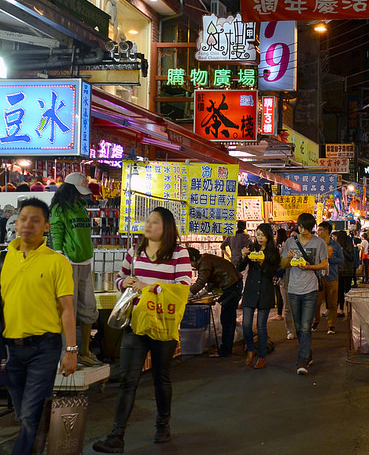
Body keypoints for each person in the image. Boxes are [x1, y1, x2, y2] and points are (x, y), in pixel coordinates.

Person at [93, 207, 192, 452]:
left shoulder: (178, 253)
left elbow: (182, 287)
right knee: (128, 380)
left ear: (166, 227)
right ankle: (117, 436)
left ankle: (162, 425)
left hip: (162, 325)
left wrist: (147, 286)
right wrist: (123, 282)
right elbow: (120, 277)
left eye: (154, 222)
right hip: (136, 324)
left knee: (161, 377)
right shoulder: (135, 252)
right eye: (147, 221)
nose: (148, 225)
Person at [1, 198, 77, 454]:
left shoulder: (57, 262)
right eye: (23, 219)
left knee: (31, 415)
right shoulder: (6, 258)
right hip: (13, 349)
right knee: (24, 415)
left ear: (46, 226)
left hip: (44, 348)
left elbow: (67, 309)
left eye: (35, 220)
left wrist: (72, 350)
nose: (27, 225)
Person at [50, 172, 101, 366]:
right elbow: (56, 230)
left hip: (85, 261)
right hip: (69, 262)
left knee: (88, 307)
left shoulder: (80, 207)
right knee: (68, 308)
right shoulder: (59, 209)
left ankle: (85, 351)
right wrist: (60, 253)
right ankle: (67, 352)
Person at [280, 213, 328, 375]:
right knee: (299, 326)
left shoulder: (319, 242)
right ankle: (308, 354)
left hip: (310, 290)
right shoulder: (290, 242)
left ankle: (302, 360)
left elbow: (324, 264)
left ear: (312, 228)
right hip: (293, 289)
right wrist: (288, 257)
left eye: (307, 228)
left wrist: (309, 267)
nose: (303, 231)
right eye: (301, 227)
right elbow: (283, 264)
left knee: (306, 326)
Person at [186, 247, 243, 358]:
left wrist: (188, 294)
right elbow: (211, 282)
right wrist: (199, 295)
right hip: (234, 284)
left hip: (232, 286)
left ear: (193, 258)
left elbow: (201, 281)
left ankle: (225, 350)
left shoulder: (204, 262)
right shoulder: (206, 259)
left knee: (227, 319)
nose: (191, 266)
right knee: (228, 318)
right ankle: (226, 348)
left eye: (189, 262)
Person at [239, 223, 281, 369]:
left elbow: (274, 272)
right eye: (258, 235)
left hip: (265, 291)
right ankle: (250, 349)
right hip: (250, 291)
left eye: (262, 235)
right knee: (246, 324)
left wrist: (263, 262)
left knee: (262, 326)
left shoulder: (273, 252)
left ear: (268, 236)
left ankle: (262, 356)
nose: (260, 238)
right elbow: (240, 267)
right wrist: (243, 256)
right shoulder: (252, 249)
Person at [313, 221, 343, 334]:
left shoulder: (336, 245)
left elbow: (341, 260)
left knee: (332, 303)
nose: (318, 232)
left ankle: (331, 325)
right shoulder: (316, 244)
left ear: (327, 231)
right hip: (318, 277)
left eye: (320, 230)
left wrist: (329, 258)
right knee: (316, 302)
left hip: (332, 277)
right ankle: (316, 321)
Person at [275, 228, 295, 339]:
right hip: (285, 281)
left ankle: (300, 328)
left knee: (298, 307)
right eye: (291, 236)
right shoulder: (283, 250)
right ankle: (290, 330)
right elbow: (280, 267)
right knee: (287, 307)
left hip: (299, 282)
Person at [335, 231, 356, 314]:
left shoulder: (348, 245)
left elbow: (351, 257)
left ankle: (348, 309)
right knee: (340, 290)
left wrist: (342, 251)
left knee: (347, 290)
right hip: (339, 271)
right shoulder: (337, 246)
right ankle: (341, 309)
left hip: (347, 271)